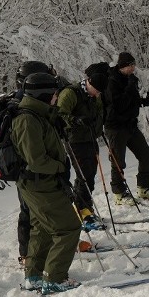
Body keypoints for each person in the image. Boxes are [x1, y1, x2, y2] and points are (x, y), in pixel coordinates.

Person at [12, 72, 81, 294]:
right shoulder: (27, 119)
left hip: (42, 183)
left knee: (41, 229)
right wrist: (61, 167)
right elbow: (36, 160)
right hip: (40, 184)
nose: (56, 97)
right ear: (42, 94)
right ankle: (55, 278)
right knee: (68, 228)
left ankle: (34, 276)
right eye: (54, 94)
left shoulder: (38, 114)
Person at [104, 52, 149, 204]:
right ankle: (119, 194)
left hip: (130, 125)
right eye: (130, 65)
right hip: (116, 127)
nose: (133, 68)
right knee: (118, 161)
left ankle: (144, 187)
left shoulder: (130, 79)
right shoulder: (112, 81)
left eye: (133, 65)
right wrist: (130, 87)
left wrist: (144, 101)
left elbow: (131, 101)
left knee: (145, 155)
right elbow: (119, 105)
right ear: (122, 66)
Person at [12, 61, 52, 264]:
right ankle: (27, 255)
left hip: (31, 167)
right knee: (29, 210)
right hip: (28, 170)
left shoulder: (25, 100)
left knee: (38, 210)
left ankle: (43, 248)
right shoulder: (23, 105)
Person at [56, 64, 105, 229]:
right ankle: (83, 212)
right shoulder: (71, 93)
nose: (97, 94)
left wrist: (97, 126)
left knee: (89, 174)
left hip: (90, 138)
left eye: (99, 93)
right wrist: (76, 120)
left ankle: (85, 209)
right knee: (84, 175)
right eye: (96, 91)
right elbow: (59, 115)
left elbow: (99, 112)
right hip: (75, 140)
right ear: (88, 83)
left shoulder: (95, 95)